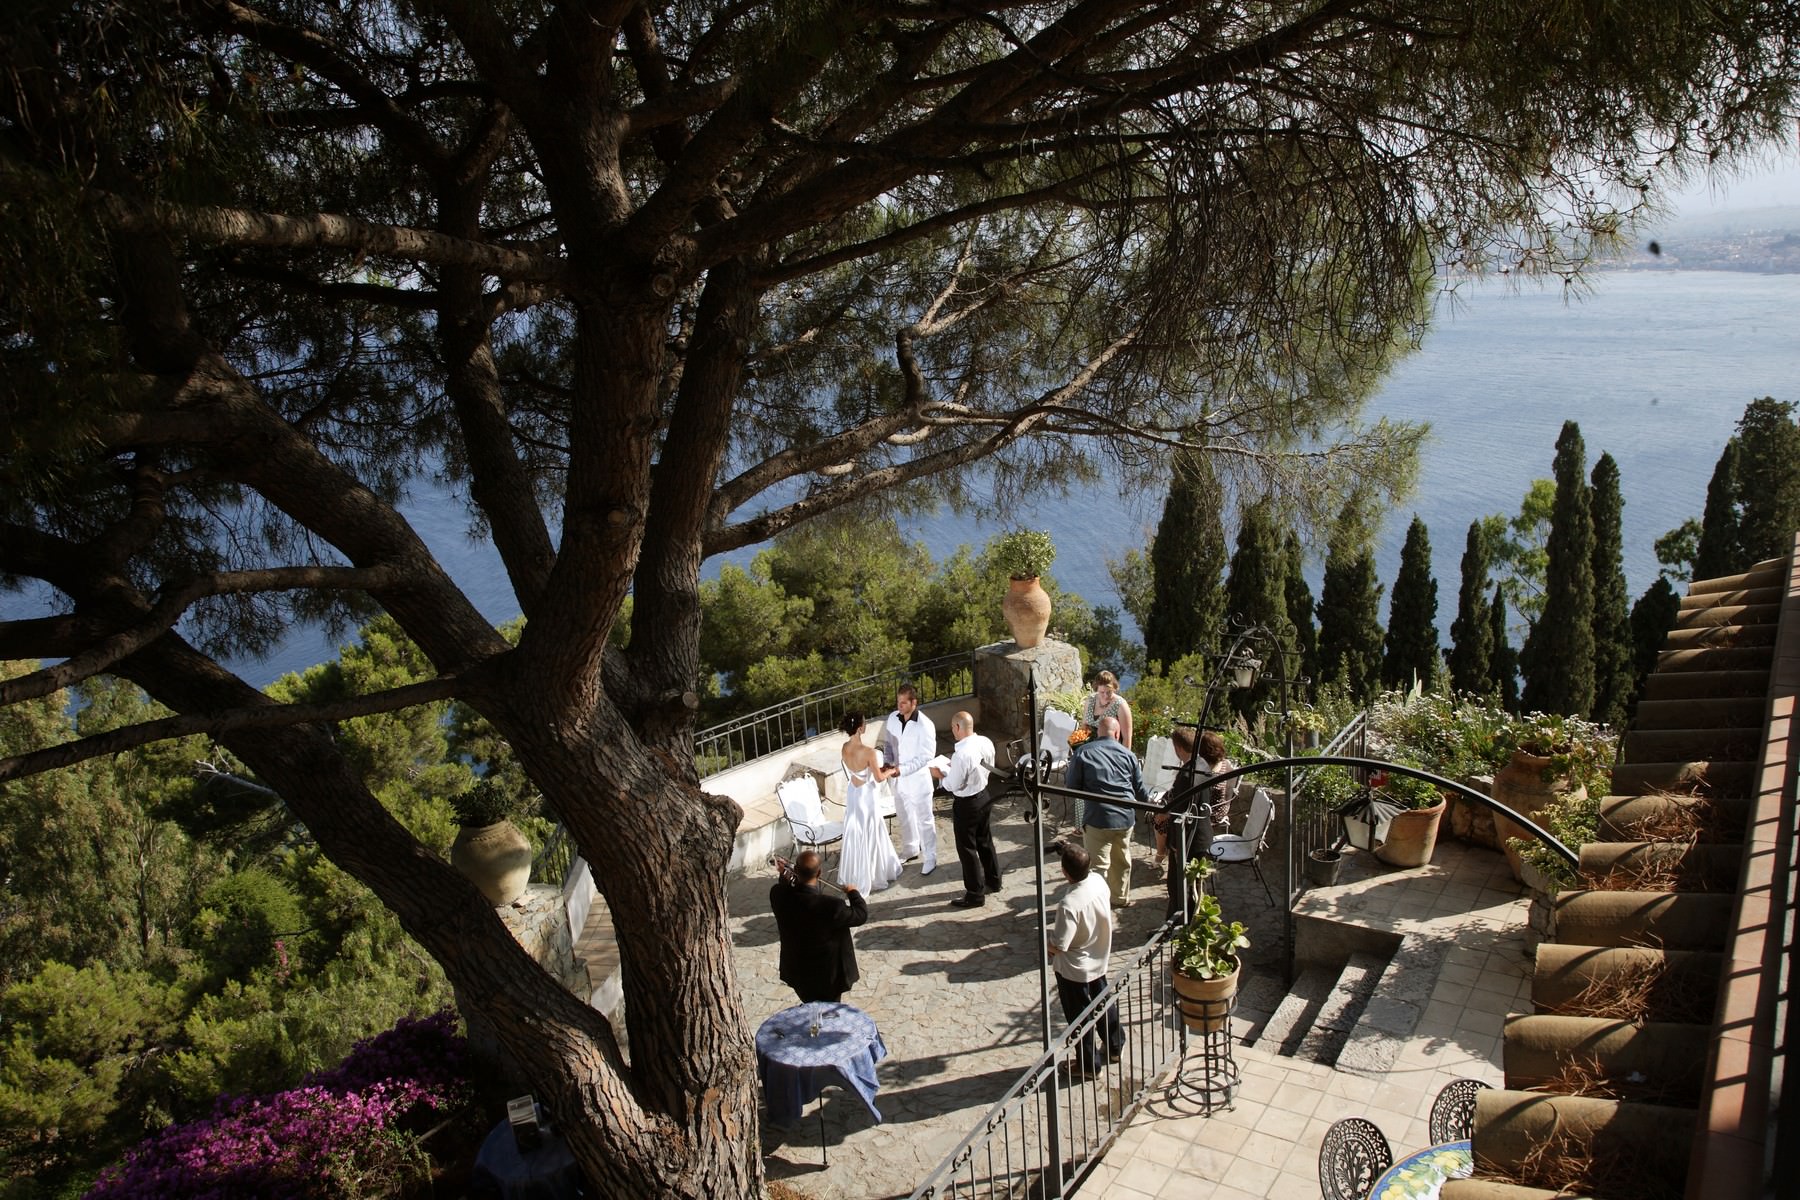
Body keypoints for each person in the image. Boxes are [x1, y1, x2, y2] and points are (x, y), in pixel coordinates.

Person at [1047, 843, 1124, 1072]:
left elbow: (1060, 944)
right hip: (1099, 959)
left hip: (1075, 970)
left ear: (1064, 872)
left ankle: (1088, 1065)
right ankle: (1114, 1046)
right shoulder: (1098, 881)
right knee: (1104, 1004)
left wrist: (1047, 946)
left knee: (1080, 1019)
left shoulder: (1069, 904)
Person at [1065, 714, 1149, 908]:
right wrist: (1154, 805)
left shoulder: (1083, 752)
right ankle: (1120, 898)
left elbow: (1071, 786)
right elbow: (1139, 789)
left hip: (1097, 816)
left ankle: (1097, 904)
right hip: (1125, 817)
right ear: (1118, 733)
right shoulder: (1129, 755)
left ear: (1097, 733)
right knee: (1121, 861)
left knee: (1097, 865)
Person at [769, 850, 867, 1004]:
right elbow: (860, 915)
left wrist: (784, 876)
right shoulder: (832, 906)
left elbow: (786, 891)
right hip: (829, 977)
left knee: (810, 1006)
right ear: (819, 873)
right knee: (828, 1013)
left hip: (798, 971)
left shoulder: (778, 894)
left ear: (796, 870)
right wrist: (853, 893)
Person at [932, 710, 1002, 907]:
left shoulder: (962, 754)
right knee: (984, 840)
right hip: (984, 796)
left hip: (968, 803)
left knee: (967, 849)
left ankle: (975, 894)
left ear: (957, 727)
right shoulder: (985, 742)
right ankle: (994, 880)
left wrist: (940, 775)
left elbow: (953, 784)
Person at [838, 713, 902, 893]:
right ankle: (873, 874)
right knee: (871, 830)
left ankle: (855, 871)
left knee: (856, 829)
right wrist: (892, 771)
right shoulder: (869, 752)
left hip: (853, 792)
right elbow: (880, 778)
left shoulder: (844, 747)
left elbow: (855, 769)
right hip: (866, 795)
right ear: (860, 728)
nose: (866, 725)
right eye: (864, 723)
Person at [883, 683, 938, 874]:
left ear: (914, 702)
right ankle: (911, 848)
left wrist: (902, 769)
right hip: (898, 781)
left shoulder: (925, 725)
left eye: (904, 702)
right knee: (904, 816)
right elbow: (888, 744)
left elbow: (926, 757)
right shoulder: (892, 718)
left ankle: (930, 857)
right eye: (898, 701)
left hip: (918, 781)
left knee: (925, 820)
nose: (900, 705)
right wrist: (887, 762)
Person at [1080, 670, 1133, 752]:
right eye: (1102, 692)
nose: (1105, 696)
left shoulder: (1120, 705)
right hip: (1088, 750)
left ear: (1114, 688)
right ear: (1096, 689)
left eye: (1109, 692)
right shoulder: (1091, 700)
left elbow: (1127, 738)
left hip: (1110, 753)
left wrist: (1122, 760)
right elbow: (1084, 725)